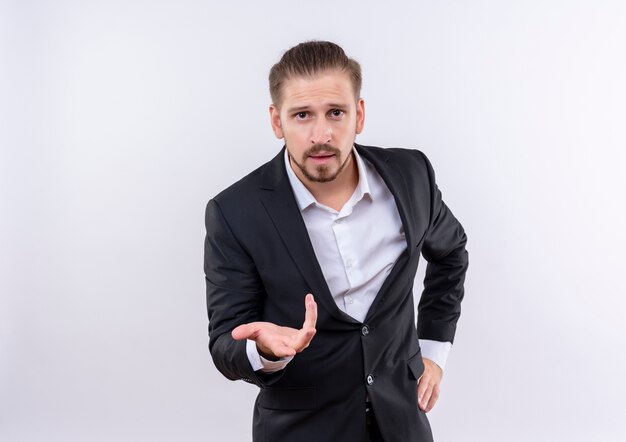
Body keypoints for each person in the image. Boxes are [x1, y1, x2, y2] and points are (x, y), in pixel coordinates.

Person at [204, 40, 469, 442]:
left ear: (358, 114)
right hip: (300, 429)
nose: (321, 134)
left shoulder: (411, 175)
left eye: (336, 112)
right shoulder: (235, 212)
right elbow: (226, 343)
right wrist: (268, 351)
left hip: (403, 420)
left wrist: (433, 352)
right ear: (277, 122)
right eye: (302, 115)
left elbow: (450, 254)